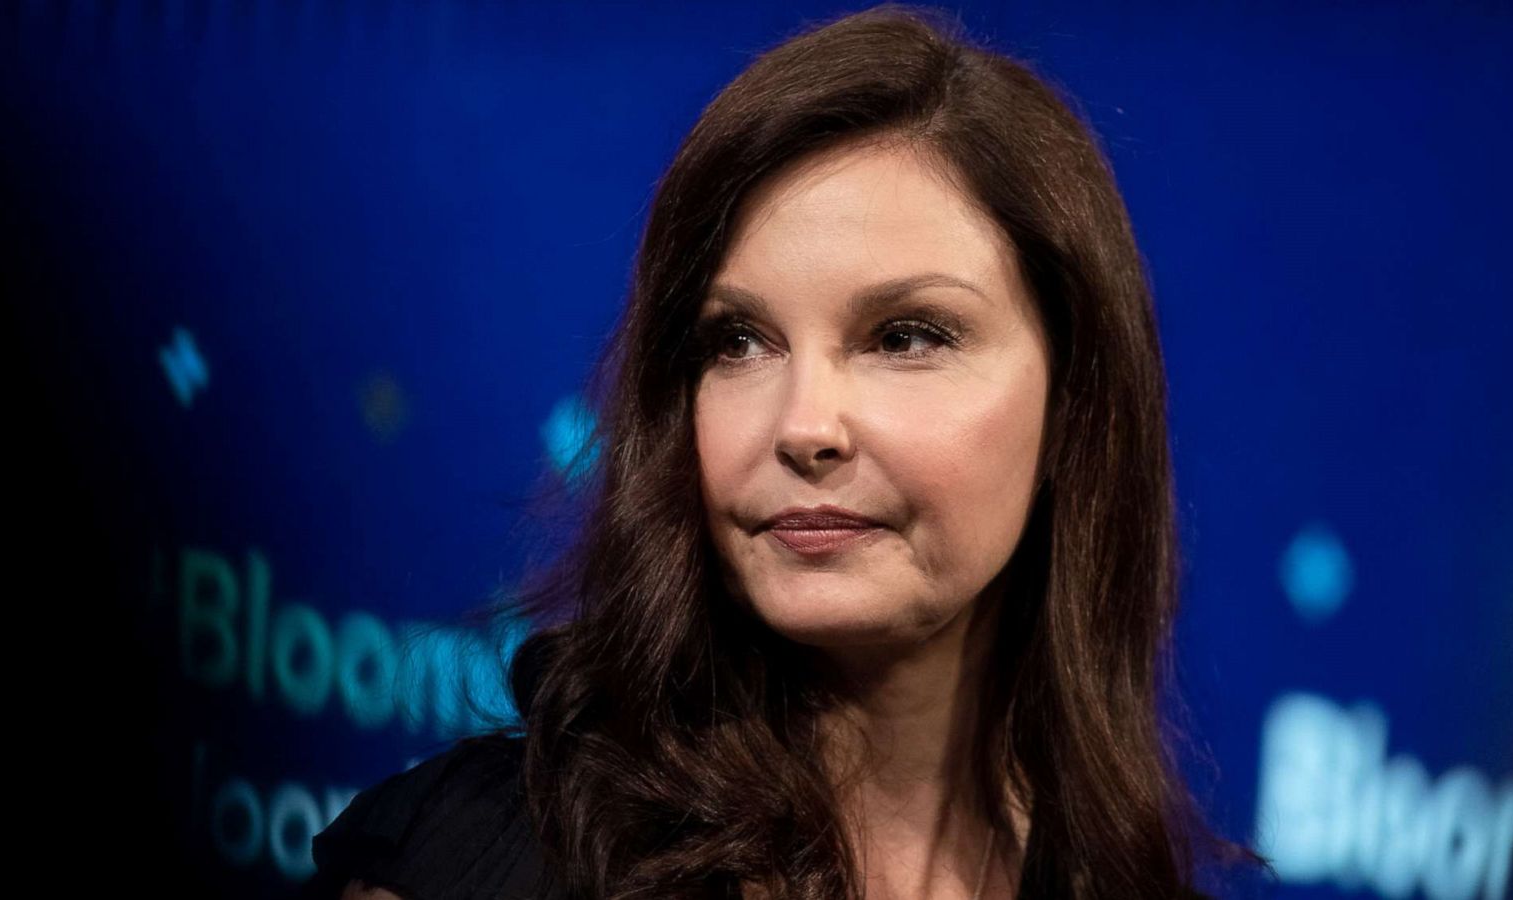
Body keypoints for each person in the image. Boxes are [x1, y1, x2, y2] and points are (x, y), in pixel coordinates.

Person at [301, 3, 1272, 898]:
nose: (802, 427)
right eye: (738, 342)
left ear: (1075, 406)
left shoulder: (1106, 877)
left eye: (905, 337)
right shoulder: (479, 861)